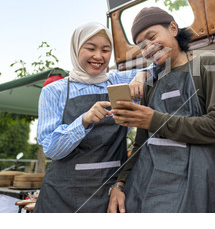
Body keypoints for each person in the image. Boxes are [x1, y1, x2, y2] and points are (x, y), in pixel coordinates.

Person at [107, 7, 215, 213]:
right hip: (145, 183)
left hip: (192, 183)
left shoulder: (206, 65)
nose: (148, 47)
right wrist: (120, 184)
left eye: (152, 37)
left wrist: (154, 120)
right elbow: (141, 142)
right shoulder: (150, 83)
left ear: (173, 28)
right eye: (141, 45)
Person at [34, 22, 147, 213]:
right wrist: (83, 121)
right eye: (91, 48)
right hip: (62, 195)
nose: (98, 56)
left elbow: (161, 69)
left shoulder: (118, 80)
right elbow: (51, 150)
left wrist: (142, 75)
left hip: (110, 193)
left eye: (105, 49)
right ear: (76, 48)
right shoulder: (54, 91)